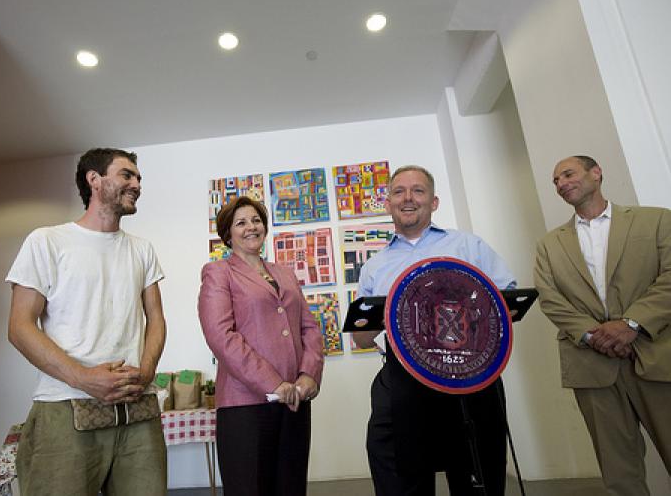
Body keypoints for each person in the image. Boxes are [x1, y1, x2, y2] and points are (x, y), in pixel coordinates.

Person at [6, 148, 167, 496]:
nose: (137, 184)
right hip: (65, 407)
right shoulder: (47, 241)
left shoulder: (142, 250)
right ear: (94, 179)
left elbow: (156, 319)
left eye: (138, 178)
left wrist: (148, 370)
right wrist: (84, 378)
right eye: (127, 175)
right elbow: (19, 327)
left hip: (137, 408)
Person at [354, 165, 516, 496]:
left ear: (434, 201)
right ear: (388, 204)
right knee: (399, 466)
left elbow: (508, 303)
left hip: (468, 374)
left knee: (476, 467)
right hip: (403, 377)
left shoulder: (468, 246)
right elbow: (361, 337)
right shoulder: (373, 266)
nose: (408, 198)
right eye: (398, 191)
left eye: (418, 190)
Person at [534, 155, 671, 496]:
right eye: (555, 181)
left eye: (568, 174)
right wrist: (594, 335)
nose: (561, 183)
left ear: (596, 173)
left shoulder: (655, 220)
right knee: (619, 473)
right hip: (591, 364)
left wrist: (632, 324)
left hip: (656, 356)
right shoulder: (550, 244)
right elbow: (550, 298)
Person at [197, 196, 324, 496]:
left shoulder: (285, 274)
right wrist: (273, 383)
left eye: (256, 220)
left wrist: (309, 375)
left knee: (290, 487)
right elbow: (221, 336)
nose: (251, 227)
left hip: (294, 400)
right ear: (228, 234)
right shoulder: (218, 273)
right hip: (245, 406)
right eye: (241, 222)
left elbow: (309, 328)